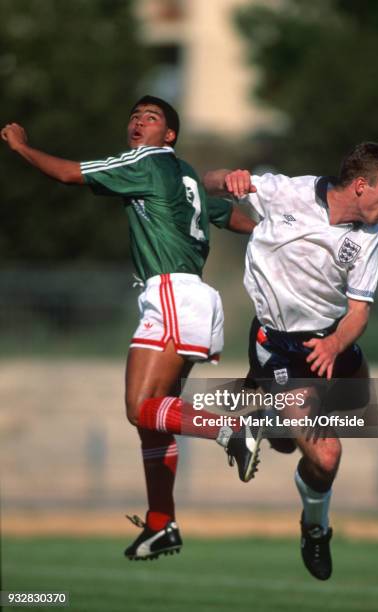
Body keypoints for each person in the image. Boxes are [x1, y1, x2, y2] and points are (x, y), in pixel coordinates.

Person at [1, 95, 259, 562]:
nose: (139, 122)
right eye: (135, 117)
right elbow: (230, 217)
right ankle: (162, 524)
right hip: (195, 300)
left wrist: (21, 147)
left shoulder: (146, 161)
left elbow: (66, 174)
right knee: (155, 421)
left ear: (170, 135)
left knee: (140, 409)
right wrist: (273, 233)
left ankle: (231, 430)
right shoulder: (188, 179)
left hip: (171, 296)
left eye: (152, 117)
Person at [203, 142, 378, 580]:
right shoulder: (285, 192)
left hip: (332, 344)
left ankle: (270, 416)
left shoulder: (368, 236)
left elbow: (359, 311)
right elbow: (210, 181)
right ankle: (316, 528)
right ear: (359, 185)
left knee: (356, 409)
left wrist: (334, 344)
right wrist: (228, 179)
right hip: (282, 350)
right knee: (327, 457)